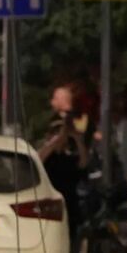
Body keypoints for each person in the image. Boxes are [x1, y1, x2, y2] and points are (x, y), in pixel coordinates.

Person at [38, 86, 91, 241]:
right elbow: (41, 156)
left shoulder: (70, 158)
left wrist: (76, 137)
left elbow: (83, 162)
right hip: (50, 207)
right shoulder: (49, 156)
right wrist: (59, 136)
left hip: (69, 207)